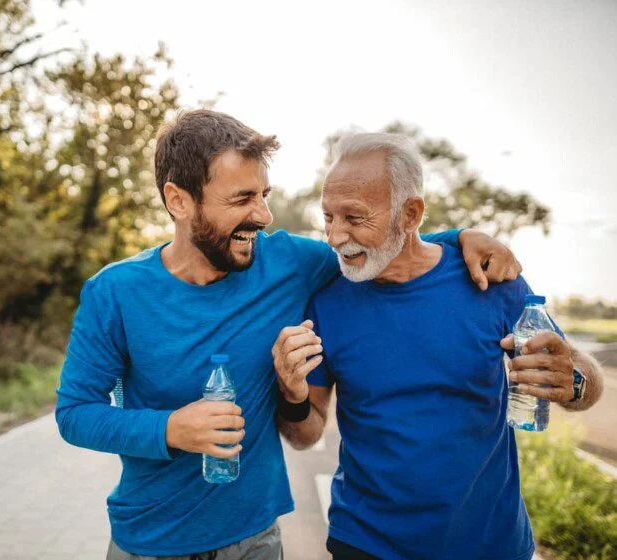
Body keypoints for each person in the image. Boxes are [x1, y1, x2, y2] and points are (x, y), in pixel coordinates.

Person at [55, 110, 522, 560]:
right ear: (179, 201)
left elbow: (382, 244)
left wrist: (461, 237)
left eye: (264, 194)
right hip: (148, 538)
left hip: (253, 538)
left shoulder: (289, 264)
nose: (263, 215)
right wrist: (170, 428)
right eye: (242, 199)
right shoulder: (113, 292)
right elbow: (75, 413)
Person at [272, 132, 604, 560]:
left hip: (492, 545)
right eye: (328, 217)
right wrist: (293, 396)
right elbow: (307, 433)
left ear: (410, 214)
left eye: (354, 218)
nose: (336, 236)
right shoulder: (326, 302)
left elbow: (583, 380)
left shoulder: (490, 280)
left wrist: (573, 382)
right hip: (366, 544)